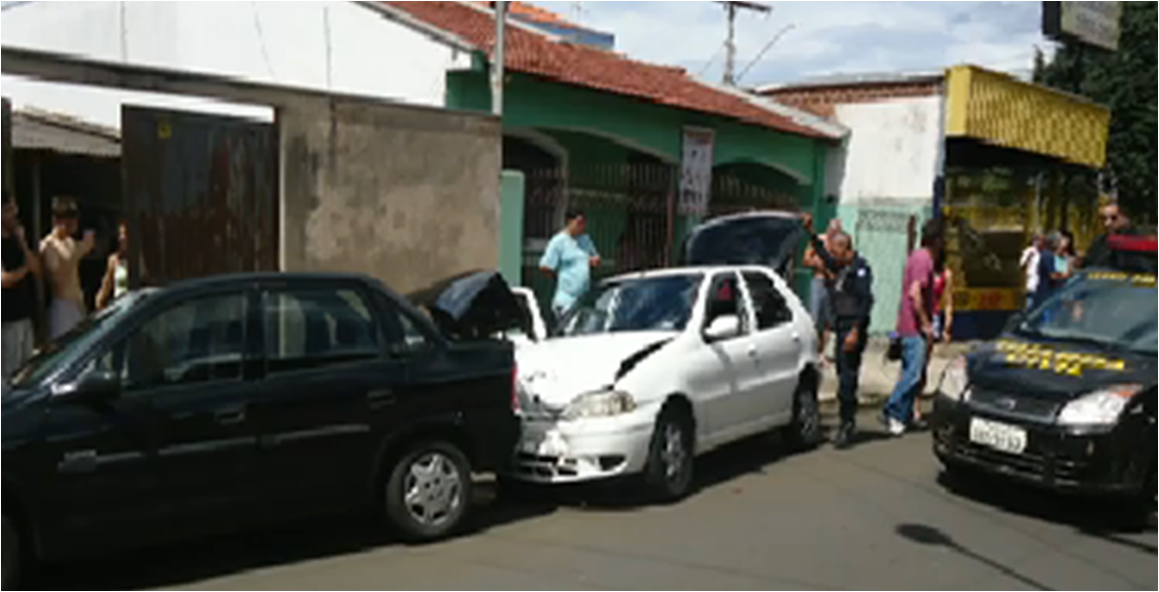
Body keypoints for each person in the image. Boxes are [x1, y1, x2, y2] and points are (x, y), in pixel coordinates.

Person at [802, 214, 873, 448]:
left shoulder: (859, 269)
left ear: (845, 249)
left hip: (853, 328)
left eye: (835, 251)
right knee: (843, 373)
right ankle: (846, 420)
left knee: (848, 378)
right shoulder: (840, 265)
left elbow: (865, 302)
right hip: (841, 326)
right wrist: (811, 232)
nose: (832, 256)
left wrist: (855, 331)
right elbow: (822, 255)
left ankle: (847, 423)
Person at [883, 218, 944, 436]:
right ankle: (893, 411)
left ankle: (905, 414)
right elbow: (915, 294)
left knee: (913, 372)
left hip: (909, 326)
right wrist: (926, 324)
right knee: (913, 375)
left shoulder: (917, 257)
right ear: (936, 240)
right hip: (913, 327)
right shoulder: (923, 260)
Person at [40, 196, 95, 340]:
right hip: (62, 309)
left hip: (77, 304)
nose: (73, 223)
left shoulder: (70, 242)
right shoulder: (49, 245)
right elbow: (57, 278)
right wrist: (77, 253)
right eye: (67, 217)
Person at [2, 190, 42, 378]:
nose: (14, 214)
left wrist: (23, 242)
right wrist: (24, 271)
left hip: (25, 315)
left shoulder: (17, 240)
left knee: (28, 370)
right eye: (9, 209)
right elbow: (3, 280)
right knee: (10, 372)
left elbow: (36, 268)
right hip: (7, 319)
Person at [914, 249, 954, 425]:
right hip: (918, 316)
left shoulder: (946, 275)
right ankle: (911, 404)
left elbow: (948, 301)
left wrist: (947, 328)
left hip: (934, 317)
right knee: (914, 362)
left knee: (923, 363)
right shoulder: (923, 269)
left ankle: (916, 405)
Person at [539, 208, 600, 322]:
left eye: (583, 223)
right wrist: (557, 277)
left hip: (583, 301)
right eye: (579, 223)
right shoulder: (558, 241)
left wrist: (594, 261)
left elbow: (595, 257)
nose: (582, 226)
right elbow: (544, 266)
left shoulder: (585, 240)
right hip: (566, 300)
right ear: (569, 222)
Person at [803, 218, 843, 366]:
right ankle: (811, 351)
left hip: (832, 284)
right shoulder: (819, 240)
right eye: (832, 230)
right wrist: (817, 263)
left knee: (828, 321)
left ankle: (822, 353)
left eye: (837, 230)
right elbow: (805, 260)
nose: (834, 233)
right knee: (814, 318)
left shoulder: (839, 244)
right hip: (818, 281)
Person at [96, 220, 139, 310]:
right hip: (122, 306)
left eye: (125, 234)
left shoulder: (140, 258)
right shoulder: (115, 260)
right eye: (120, 234)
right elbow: (106, 286)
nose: (122, 238)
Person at [1082, 202, 1136, 269]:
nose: (1107, 223)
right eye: (1104, 219)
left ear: (1126, 219)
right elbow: (1088, 265)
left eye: (1113, 218)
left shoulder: (1140, 243)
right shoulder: (1099, 242)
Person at [1019, 232, 1043, 310]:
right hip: (1030, 283)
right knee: (1029, 305)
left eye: (1040, 240)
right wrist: (1028, 258)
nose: (1038, 242)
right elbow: (1021, 265)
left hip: (1040, 284)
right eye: (1036, 240)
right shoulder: (1028, 251)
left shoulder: (1043, 253)